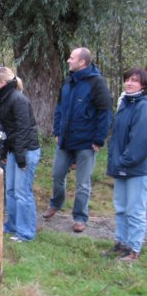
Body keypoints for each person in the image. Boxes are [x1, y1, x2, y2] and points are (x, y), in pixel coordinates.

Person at [43, 47, 112, 233]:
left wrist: (99, 139)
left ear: (82, 62)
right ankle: (56, 203)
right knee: (57, 175)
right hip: (65, 141)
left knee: (83, 183)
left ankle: (80, 217)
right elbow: (59, 108)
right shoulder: (68, 81)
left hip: (86, 143)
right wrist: (57, 131)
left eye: (72, 58)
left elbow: (105, 112)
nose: (68, 60)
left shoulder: (97, 83)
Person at [0, 67, 41, 242]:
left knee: (22, 193)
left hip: (26, 151)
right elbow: (5, 128)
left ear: (3, 83)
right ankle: (12, 225)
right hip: (14, 150)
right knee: (11, 191)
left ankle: (26, 232)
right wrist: (4, 150)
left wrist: (21, 158)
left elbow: (23, 130)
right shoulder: (2, 99)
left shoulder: (18, 99)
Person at [104, 68, 147, 262]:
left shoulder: (143, 106)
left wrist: (124, 162)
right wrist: (115, 162)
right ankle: (121, 243)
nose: (129, 83)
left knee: (135, 209)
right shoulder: (125, 103)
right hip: (121, 166)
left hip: (136, 169)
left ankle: (134, 249)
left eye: (134, 81)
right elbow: (116, 138)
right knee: (120, 207)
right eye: (127, 79)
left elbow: (140, 140)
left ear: (143, 85)